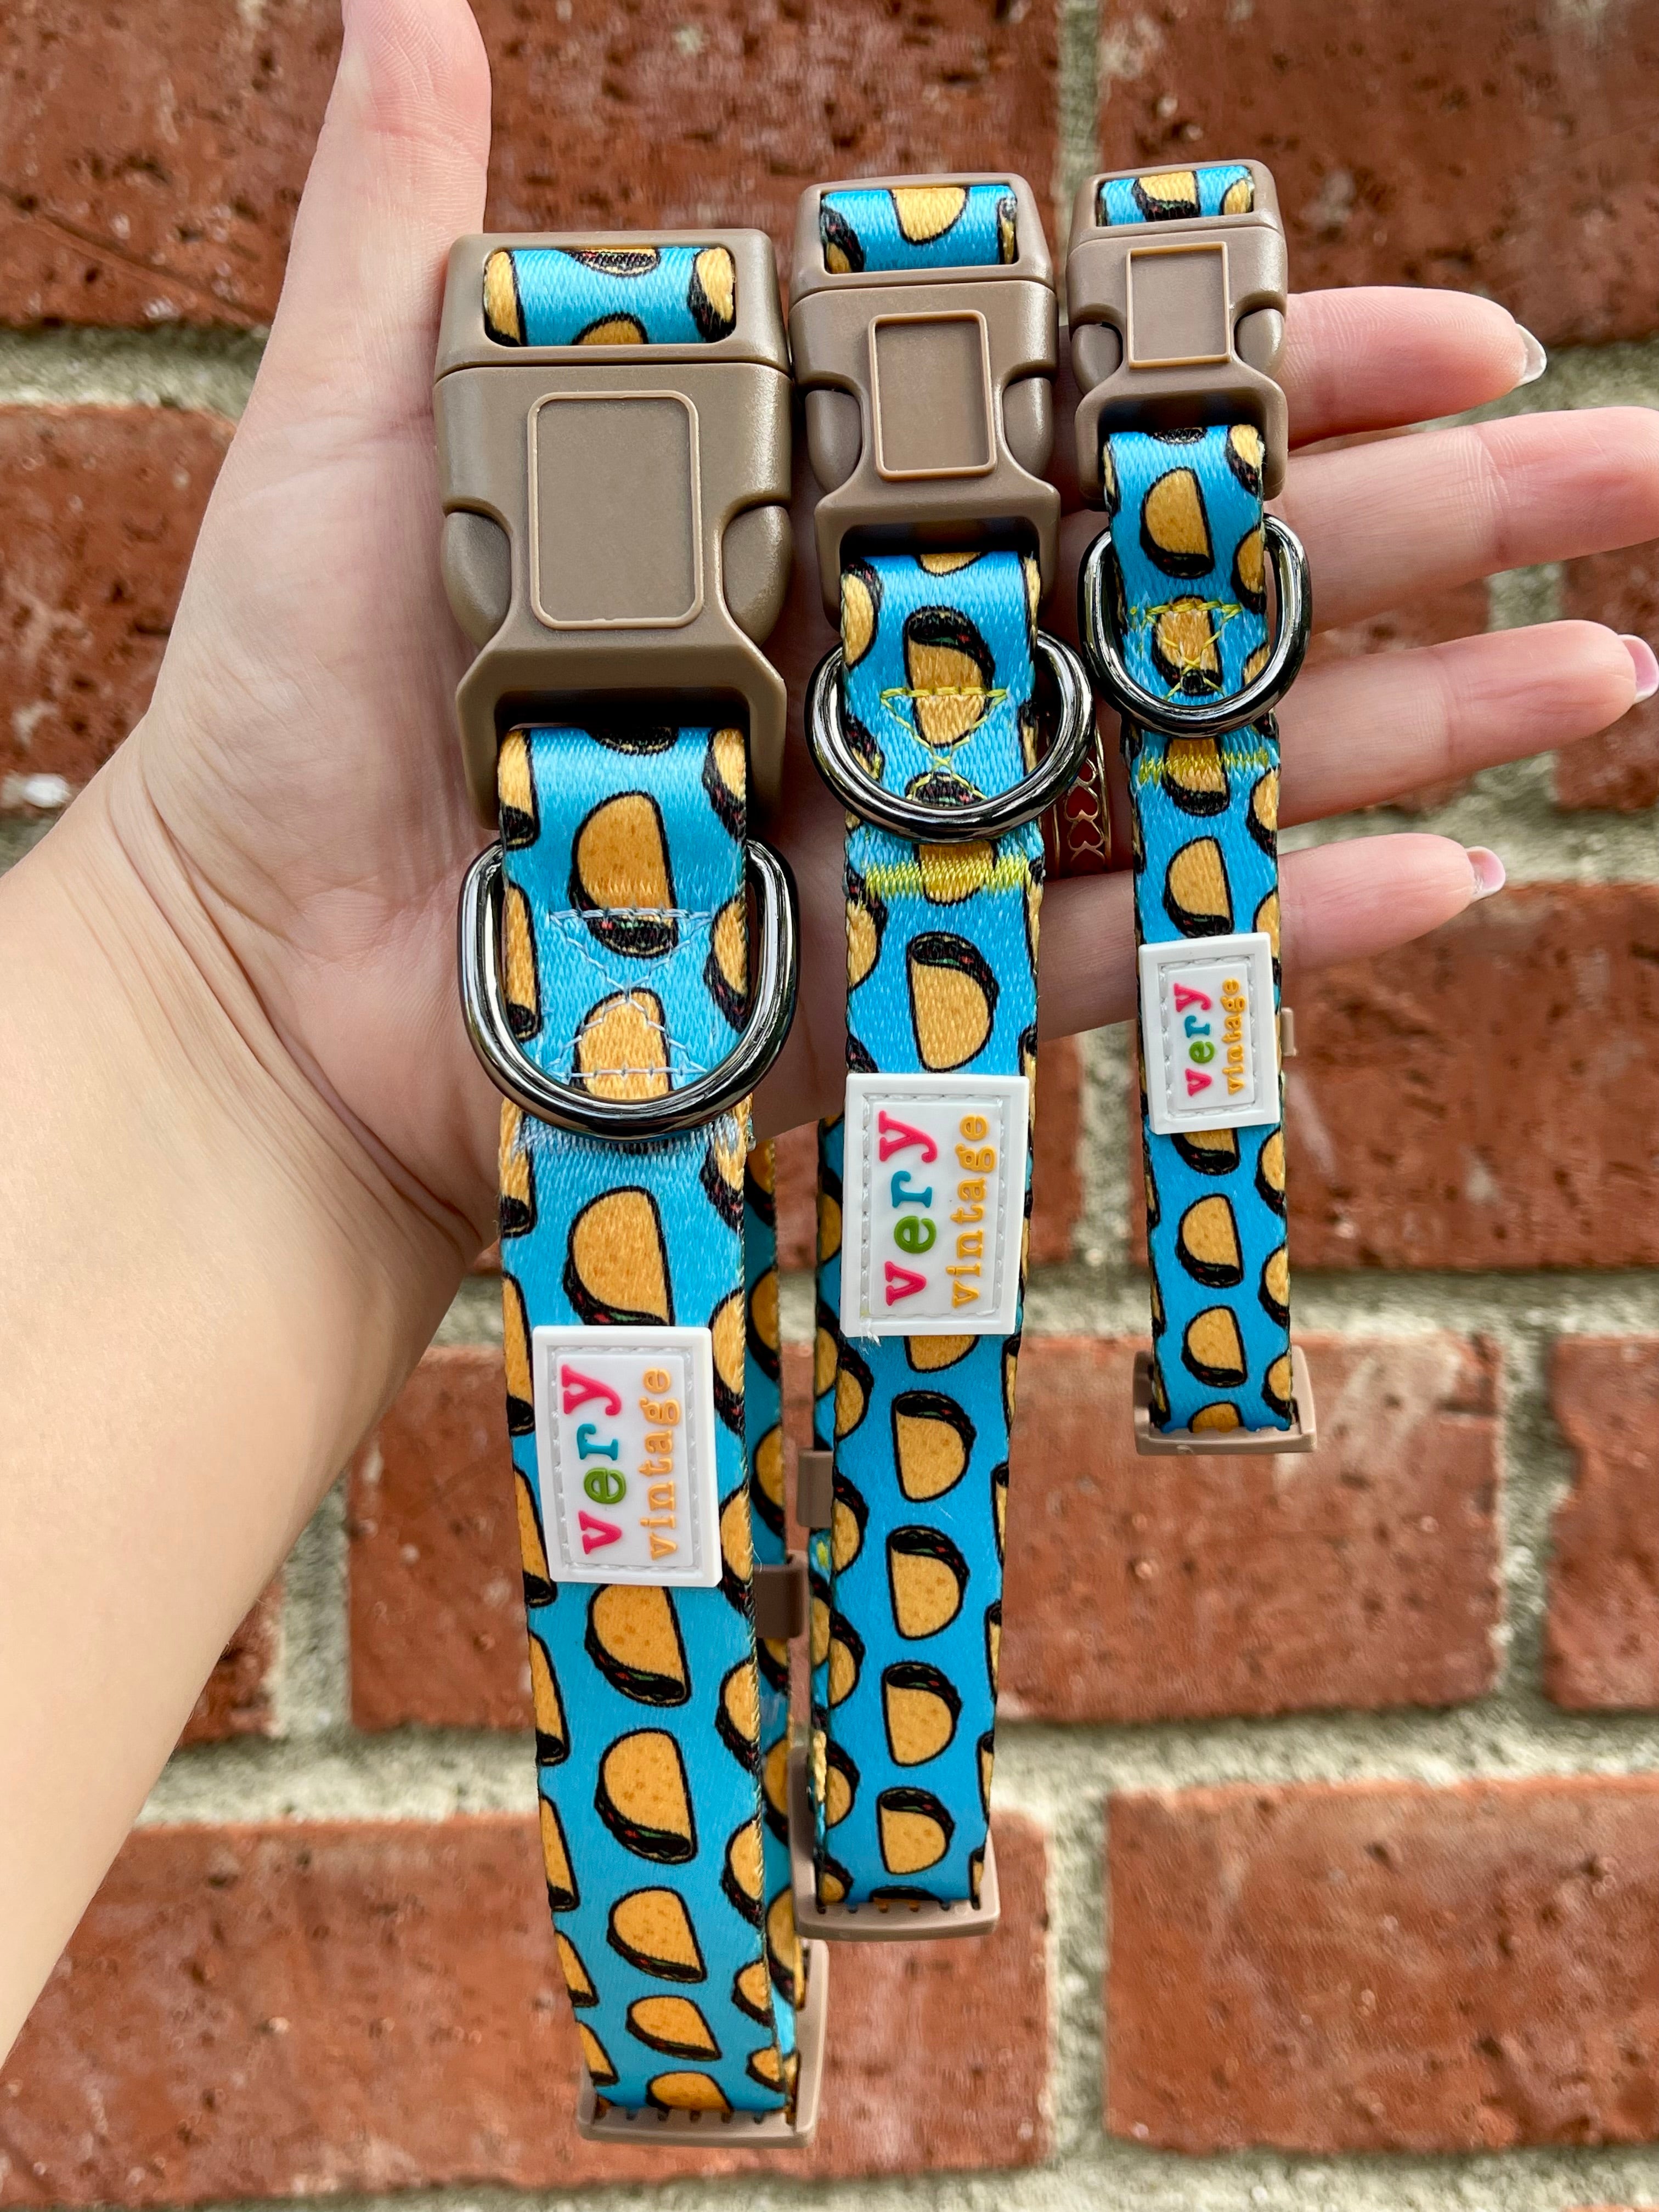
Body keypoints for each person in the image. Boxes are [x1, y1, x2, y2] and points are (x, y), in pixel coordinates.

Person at [2, 0, 1656, 2060]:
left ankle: (775, 1912)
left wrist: (223, 1035)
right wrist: (223, 1013)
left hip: (745, 852)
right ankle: (764, 1923)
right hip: (691, 865)